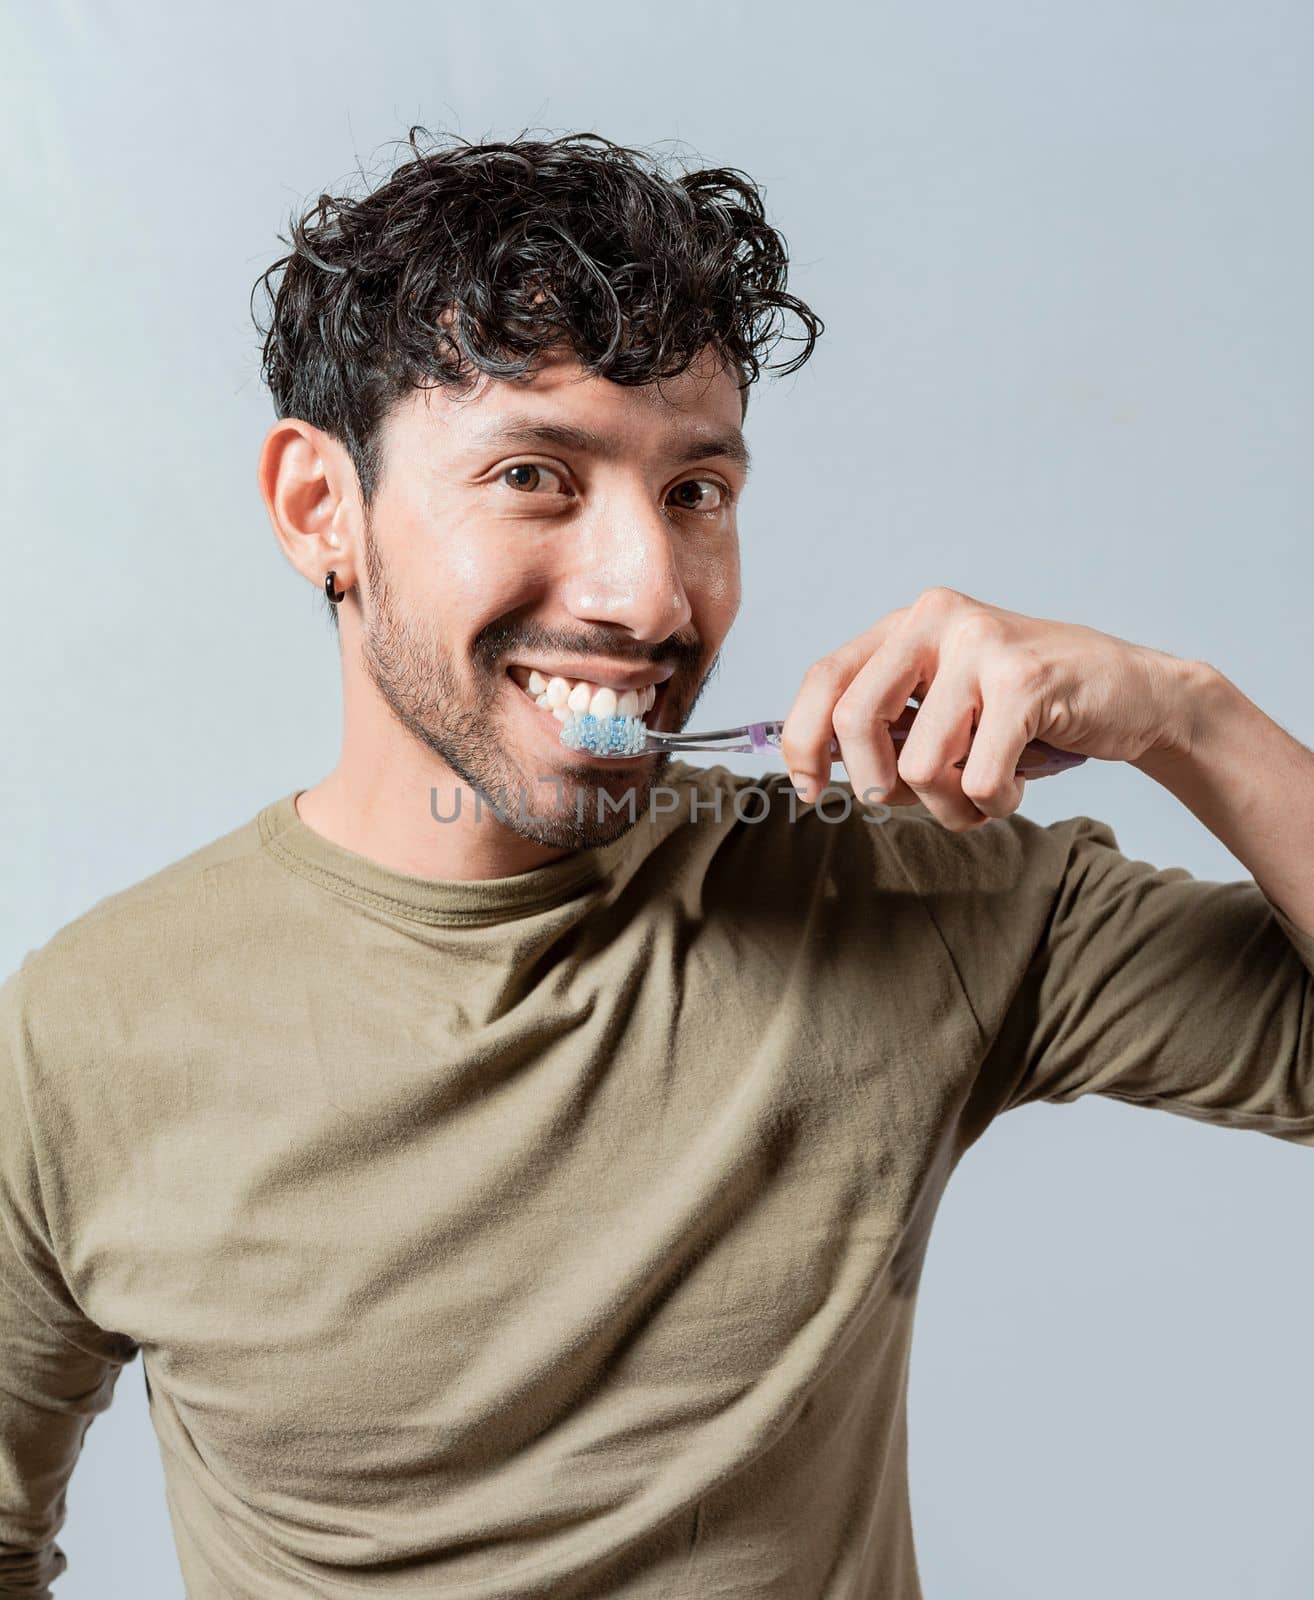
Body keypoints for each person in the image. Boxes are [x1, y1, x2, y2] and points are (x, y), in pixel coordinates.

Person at [2, 130, 1310, 1600]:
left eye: (695, 491)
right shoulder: (77, 1039)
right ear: (322, 510)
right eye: (533, 474)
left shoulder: (912, 900)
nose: (648, 595)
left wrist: (1192, 721)